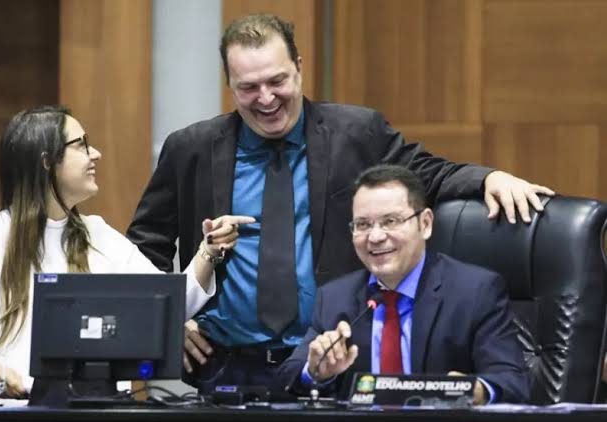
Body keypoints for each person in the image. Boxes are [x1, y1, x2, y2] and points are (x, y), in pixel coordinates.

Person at [126, 14, 551, 393]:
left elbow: (426, 173)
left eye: (277, 81)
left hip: (329, 365)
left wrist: (490, 178)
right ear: (230, 86)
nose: (266, 98)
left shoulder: (355, 132)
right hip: (222, 369)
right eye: (248, 87)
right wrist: (168, 322)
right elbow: (144, 249)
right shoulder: (192, 149)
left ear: (299, 68)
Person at [0, 106, 251, 407]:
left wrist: (207, 250)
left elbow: (166, 303)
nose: (95, 154)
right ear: (46, 161)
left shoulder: (99, 235)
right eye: (81, 145)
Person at [272, 165, 529, 404]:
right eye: (362, 224)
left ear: (425, 224)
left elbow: (512, 382)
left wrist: (472, 390)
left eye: (390, 221)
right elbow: (289, 377)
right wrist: (317, 372)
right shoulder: (336, 297)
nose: (375, 236)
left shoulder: (475, 291)